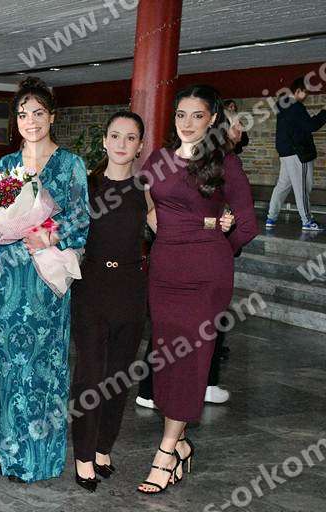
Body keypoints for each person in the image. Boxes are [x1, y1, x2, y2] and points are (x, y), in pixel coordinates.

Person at [137, 85, 258, 494]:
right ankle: (182, 443)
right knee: (166, 356)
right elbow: (147, 198)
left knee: (190, 357)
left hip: (205, 274)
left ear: (213, 119)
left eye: (197, 115)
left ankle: (165, 452)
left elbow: (247, 223)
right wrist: (153, 217)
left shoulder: (224, 162)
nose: (187, 123)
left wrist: (219, 242)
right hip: (164, 269)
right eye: (181, 115)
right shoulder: (159, 159)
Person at [0, 77, 89, 484]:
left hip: (45, 279)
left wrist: (50, 234)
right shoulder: (5, 166)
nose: (31, 121)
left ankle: (33, 456)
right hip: (7, 276)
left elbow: (82, 219)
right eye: (23, 114)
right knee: (3, 360)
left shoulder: (71, 165)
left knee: (40, 364)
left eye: (38, 113)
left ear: (52, 117)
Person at [70, 111, 146, 491]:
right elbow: (63, 228)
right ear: (104, 141)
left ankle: (103, 448)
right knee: (90, 374)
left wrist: (217, 220)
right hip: (92, 286)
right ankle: (83, 455)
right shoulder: (87, 185)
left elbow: (170, 227)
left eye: (130, 138)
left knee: (119, 375)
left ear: (140, 146)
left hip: (131, 288)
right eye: (115, 136)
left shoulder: (147, 189)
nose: (121, 144)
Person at [266, 77, 326, 231]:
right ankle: (307, 221)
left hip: (286, 152)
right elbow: (311, 126)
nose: (306, 96)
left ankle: (271, 218)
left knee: (282, 186)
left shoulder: (283, 105)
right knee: (303, 188)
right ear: (298, 90)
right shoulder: (296, 106)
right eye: (305, 93)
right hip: (298, 153)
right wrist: (324, 113)